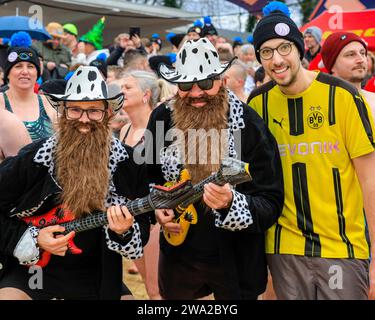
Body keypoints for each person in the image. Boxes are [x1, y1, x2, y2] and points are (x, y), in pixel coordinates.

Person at [248, 2, 375, 300]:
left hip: (342, 248)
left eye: (283, 48)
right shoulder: (257, 104)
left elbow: (370, 181)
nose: (276, 60)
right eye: (266, 52)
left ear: (300, 49)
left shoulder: (342, 96)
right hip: (281, 250)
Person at [145, 37, 284, 300]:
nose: (196, 93)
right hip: (179, 257)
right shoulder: (162, 118)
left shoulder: (249, 125)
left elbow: (271, 201)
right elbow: (147, 178)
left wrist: (232, 202)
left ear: (222, 81)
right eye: (186, 84)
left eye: (206, 83)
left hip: (236, 258)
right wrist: (158, 208)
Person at [0, 66, 151, 300]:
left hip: (97, 274)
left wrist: (124, 231)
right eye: (75, 110)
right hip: (33, 271)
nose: (84, 119)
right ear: (63, 112)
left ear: (108, 113)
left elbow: (142, 227)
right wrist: (33, 238)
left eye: (93, 111)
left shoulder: (127, 164)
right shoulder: (34, 158)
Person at [119, 70, 172, 299]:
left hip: (155, 219)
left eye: (128, 87)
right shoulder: (124, 130)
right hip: (132, 219)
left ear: (145, 94)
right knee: (149, 289)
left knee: (158, 290)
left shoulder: (161, 128)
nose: (122, 91)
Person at [0, 32, 56, 142]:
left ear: (37, 73)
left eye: (30, 66)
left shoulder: (47, 102)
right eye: (18, 66)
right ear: (8, 73)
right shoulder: (1, 102)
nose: (25, 72)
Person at [321, 31, 375, 117]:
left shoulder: (373, 100)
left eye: (362, 53)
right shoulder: (320, 106)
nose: (360, 59)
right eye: (351, 55)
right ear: (332, 65)